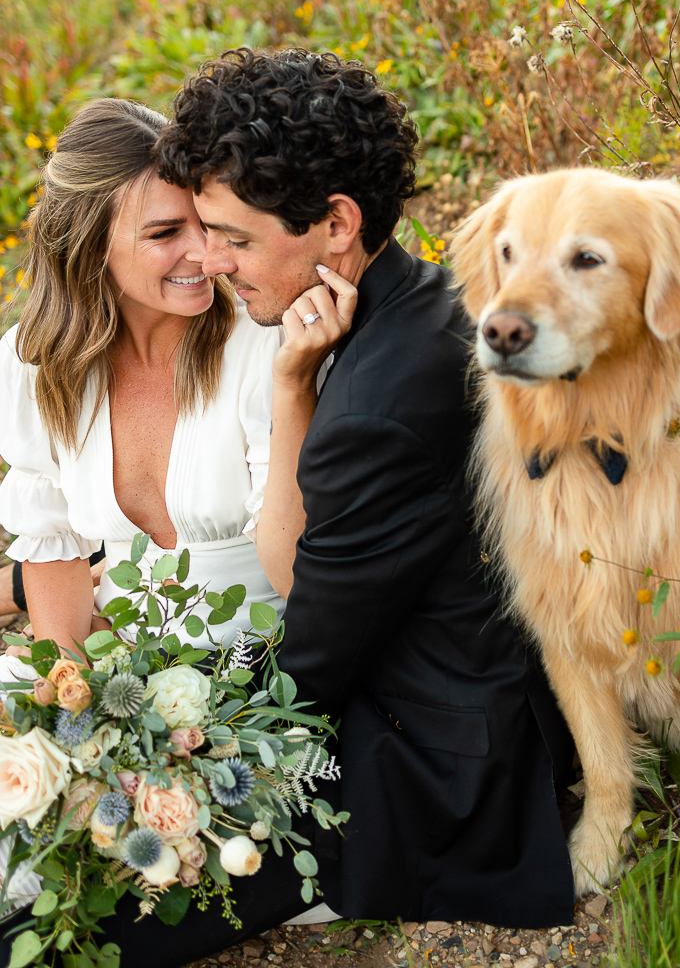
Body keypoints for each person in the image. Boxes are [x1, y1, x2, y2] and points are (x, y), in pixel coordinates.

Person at [155, 48, 577, 935]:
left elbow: (309, 659)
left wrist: (176, 747)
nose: (215, 262)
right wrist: (289, 386)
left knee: (120, 887)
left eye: (235, 237)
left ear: (336, 222)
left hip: (430, 767)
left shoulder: (378, 409)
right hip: (448, 683)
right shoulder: (417, 304)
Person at [0, 98, 352, 658]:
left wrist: (295, 385)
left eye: (208, 225)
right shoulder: (34, 365)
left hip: (265, 669)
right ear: (89, 247)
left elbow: (299, 573)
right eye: (165, 233)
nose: (209, 257)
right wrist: (72, 685)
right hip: (120, 671)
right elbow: (53, 549)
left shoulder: (266, 338)